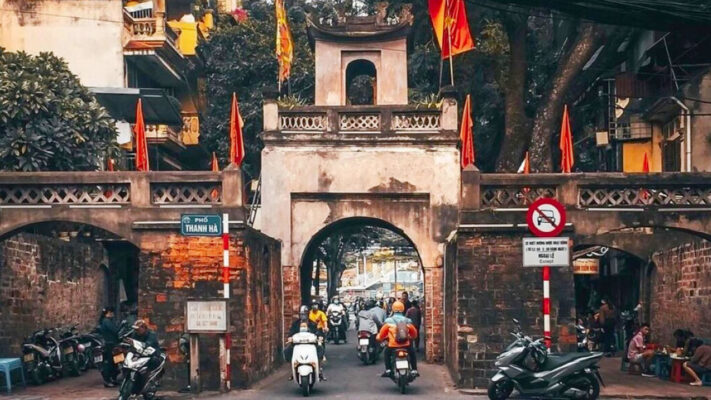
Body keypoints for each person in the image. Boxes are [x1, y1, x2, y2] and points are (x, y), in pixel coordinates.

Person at [376, 301, 418, 378]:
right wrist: (411, 337)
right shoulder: (407, 321)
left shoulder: (388, 321)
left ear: (393, 309)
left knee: (386, 353)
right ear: (403, 309)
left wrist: (379, 338)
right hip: (406, 345)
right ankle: (414, 370)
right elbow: (414, 334)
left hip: (392, 346)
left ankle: (388, 370)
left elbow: (381, 335)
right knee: (412, 353)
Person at [97, 307, 119, 387]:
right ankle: (108, 380)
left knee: (115, 362)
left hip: (112, 343)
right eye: (111, 312)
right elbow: (115, 330)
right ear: (108, 313)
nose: (112, 314)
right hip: (110, 344)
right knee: (111, 363)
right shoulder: (106, 321)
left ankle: (113, 378)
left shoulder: (108, 321)